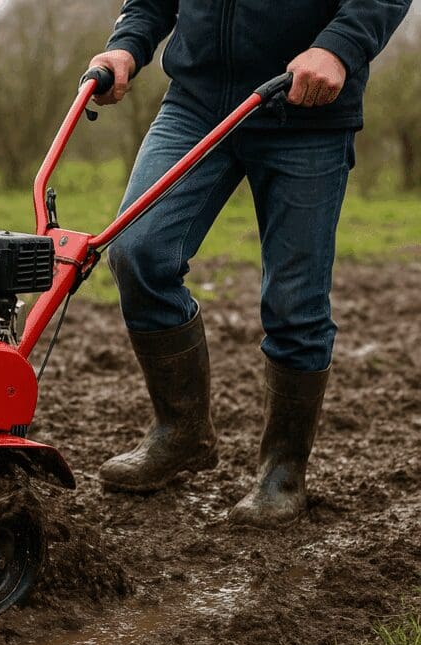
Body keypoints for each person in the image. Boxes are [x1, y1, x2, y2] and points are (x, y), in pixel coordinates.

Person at [90, 0, 412, 527]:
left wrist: (338, 46)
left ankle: (283, 472)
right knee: (138, 250)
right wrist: (128, 44)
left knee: (295, 302)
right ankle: (182, 434)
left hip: (305, 105)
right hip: (196, 103)